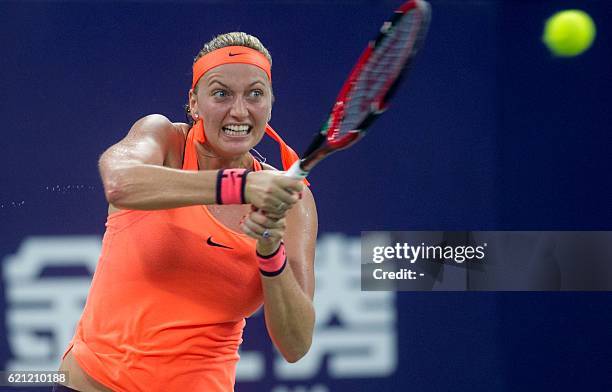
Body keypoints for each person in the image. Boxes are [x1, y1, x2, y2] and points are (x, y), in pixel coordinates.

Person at [55, 32, 318, 392]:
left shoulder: (291, 200)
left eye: (255, 94)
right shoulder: (164, 141)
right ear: (194, 102)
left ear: (270, 104)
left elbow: (296, 345)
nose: (239, 110)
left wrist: (271, 248)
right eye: (221, 93)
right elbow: (119, 180)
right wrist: (237, 186)